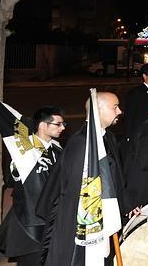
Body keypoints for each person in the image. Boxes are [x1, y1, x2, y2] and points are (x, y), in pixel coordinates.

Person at [39, 92, 127, 266]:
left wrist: (125, 205)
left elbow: (115, 178)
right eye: (114, 107)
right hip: (83, 224)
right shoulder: (81, 143)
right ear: (98, 110)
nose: (120, 111)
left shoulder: (107, 137)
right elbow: (73, 192)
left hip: (105, 219)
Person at [0, 104, 65, 266]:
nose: (62, 128)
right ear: (42, 125)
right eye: (58, 124)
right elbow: (6, 116)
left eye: (63, 124)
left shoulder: (57, 148)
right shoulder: (25, 146)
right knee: (30, 261)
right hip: (29, 221)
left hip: (52, 218)